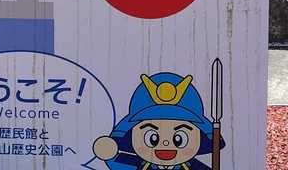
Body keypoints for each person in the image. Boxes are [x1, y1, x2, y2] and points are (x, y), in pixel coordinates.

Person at [91, 72, 220, 169]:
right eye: (152, 138)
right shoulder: (139, 166)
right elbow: (115, 160)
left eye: (179, 139)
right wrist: (108, 150)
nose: (165, 143)